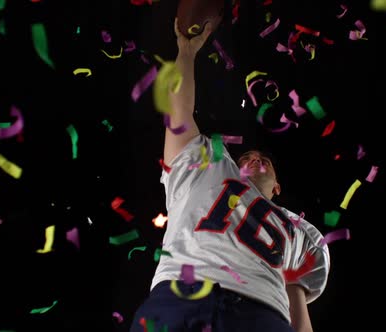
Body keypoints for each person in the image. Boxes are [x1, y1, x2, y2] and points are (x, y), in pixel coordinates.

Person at [130, 18, 330, 332]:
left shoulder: (301, 232)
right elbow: (179, 115)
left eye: (264, 158)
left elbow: (297, 302)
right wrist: (186, 52)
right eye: (248, 156)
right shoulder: (207, 167)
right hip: (181, 294)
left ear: (277, 187)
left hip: (263, 313)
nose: (255, 157)